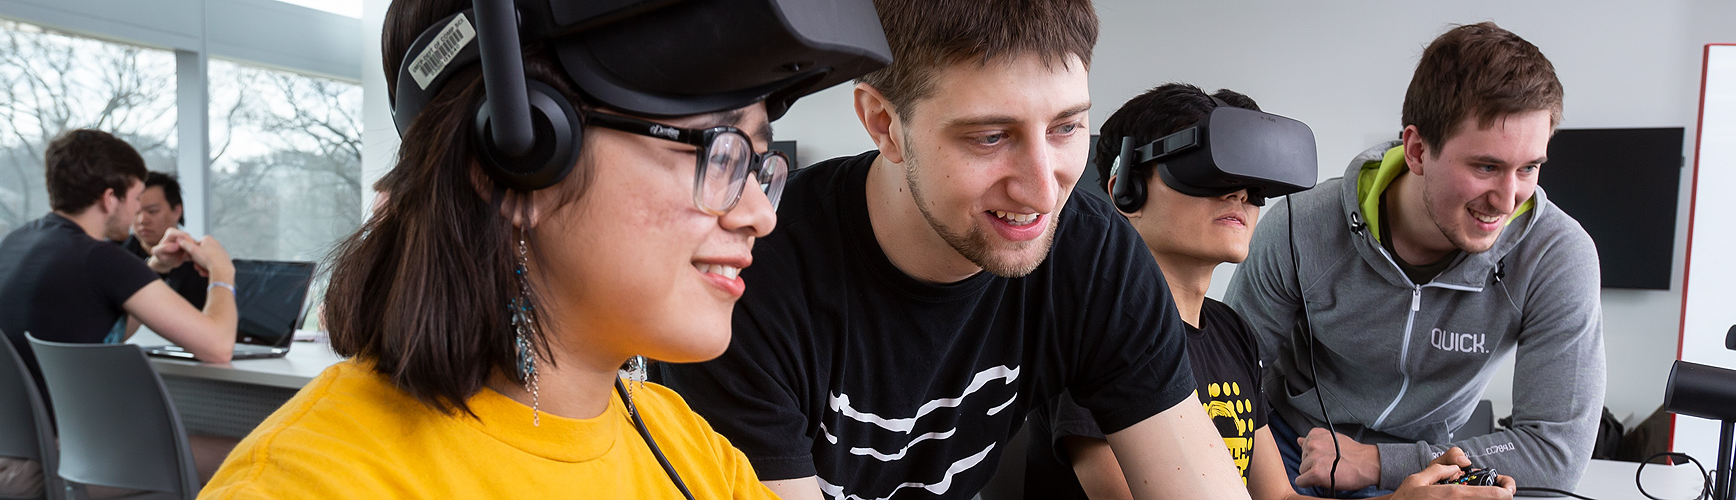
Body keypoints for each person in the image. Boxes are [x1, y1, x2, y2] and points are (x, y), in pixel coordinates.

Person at [197, 0, 887, 497]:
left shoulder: (690, 447)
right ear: (514, 163)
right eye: (721, 150)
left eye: (759, 164)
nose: (761, 214)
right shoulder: (313, 484)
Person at [660, 2, 1251, 499]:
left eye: (1066, 127)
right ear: (884, 123)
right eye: (990, 137)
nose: (1045, 191)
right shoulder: (751, 275)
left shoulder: (1091, 253)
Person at [1021, 84, 1514, 500]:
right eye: (1208, 173)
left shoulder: (1233, 333)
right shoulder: (1095, 334)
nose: (1239, 195)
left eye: (1252, 182)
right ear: (1125, 188)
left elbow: (1276, 496)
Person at [1224, 22, 1605, 497]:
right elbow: (1227, 379)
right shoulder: (1300, 227)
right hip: (1290, 447)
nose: (1508, 200)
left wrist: (1380, 462)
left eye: (1528, 168)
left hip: (1428, 464)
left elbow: (1556, 451)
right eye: (1486, 166)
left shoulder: (1557, 255)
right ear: (1417, 150)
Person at [0, 128, 240, 373]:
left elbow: (113, 331)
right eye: (136, 198)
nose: (137, 211)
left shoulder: (12, 243)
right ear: (110, 199)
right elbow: (218, 347)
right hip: (64, 424)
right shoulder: (99, 258)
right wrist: (222, 270)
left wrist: (157, 267)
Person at [122, 170, 208, 309]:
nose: (142, 219)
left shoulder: (200, 261)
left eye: (153, 211)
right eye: (136, 211)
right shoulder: (113, 256)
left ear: (176, 211)